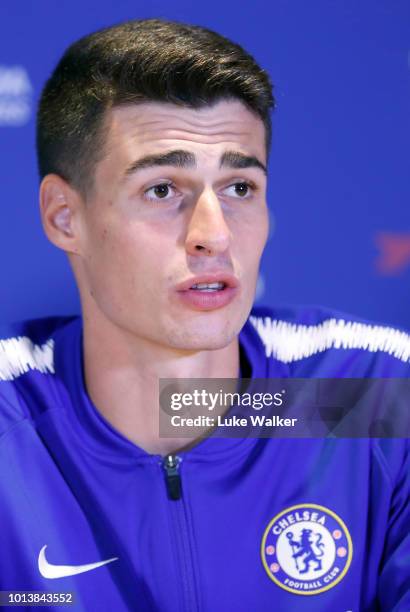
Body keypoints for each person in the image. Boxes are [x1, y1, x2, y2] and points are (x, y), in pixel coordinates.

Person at [0, 18, 408, 612]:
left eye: (240, 187)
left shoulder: (370, 397)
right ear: (66, 215)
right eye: (163, 189)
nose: (213, 236)